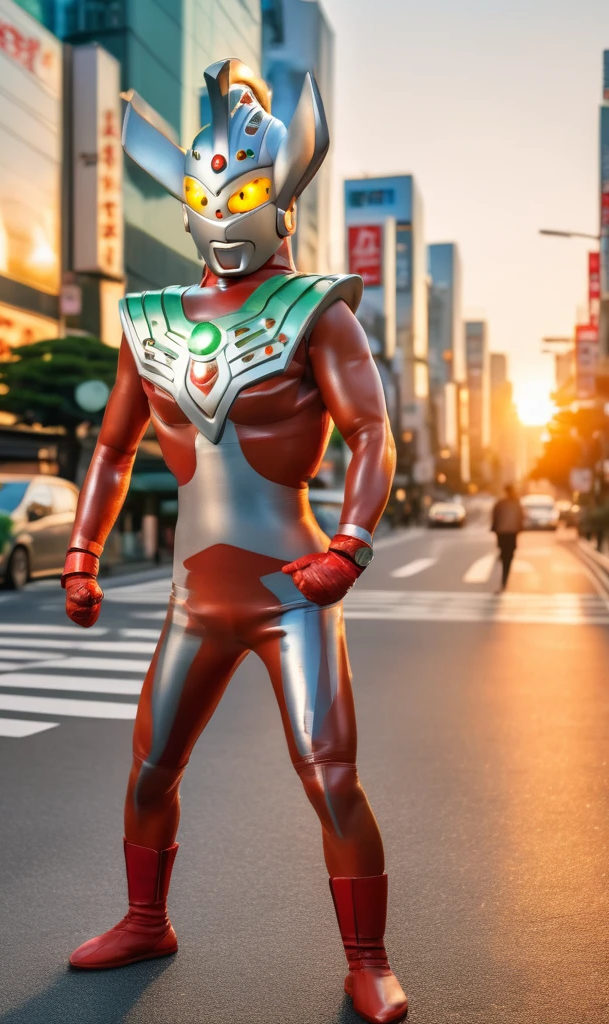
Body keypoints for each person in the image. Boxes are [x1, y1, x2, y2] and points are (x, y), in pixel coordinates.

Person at [61, 60, 407, 1024]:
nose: (223, 209)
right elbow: (111, 444)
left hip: (295, 588)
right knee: (149, 768)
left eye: (243, 190)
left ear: (281, 197)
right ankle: (144, 919)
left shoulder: (317, 309)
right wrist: (83, 552)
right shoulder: (148, 322)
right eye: (207, 191)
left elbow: (374, 434)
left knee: (331, 775)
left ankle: (368, 959)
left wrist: (349, 546)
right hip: (192, 595)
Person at [491, 485, 523, 592]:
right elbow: (521, 518)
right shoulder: (515, 504)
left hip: (504, 533)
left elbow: (495, 517)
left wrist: (495, 529)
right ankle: (504, 579)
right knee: (508, 557)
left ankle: (504, 580)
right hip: (510, 533)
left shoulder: (502, 504)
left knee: (506, 556)